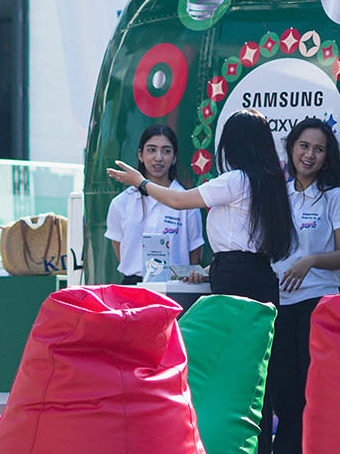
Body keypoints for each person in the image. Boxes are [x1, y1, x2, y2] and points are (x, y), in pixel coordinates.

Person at [254, 118, 340, 454]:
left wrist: (310, 261)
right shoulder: (278, 195)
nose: (309, 155)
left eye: (318, 149)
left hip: (318, 301)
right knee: (282, 390)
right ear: (291, 148)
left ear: (327, 156)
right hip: (279, 304)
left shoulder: (334, 196)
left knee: (314, 390)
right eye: (303, 146)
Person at [108, 110, 292, 309]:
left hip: (235, 280)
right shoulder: (269, 183)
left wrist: (141, 182)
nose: (158, 158)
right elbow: (245, 246)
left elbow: (178, 201)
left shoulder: (235, 180)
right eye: (151, 150)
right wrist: (208, 271)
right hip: (259, 274)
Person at [104, 124, 205, 285]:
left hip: (174, 287)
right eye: (151, 150)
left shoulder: (187, 204)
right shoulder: (121, 203)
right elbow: (121, 253)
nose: (158, 158)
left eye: (166, 151)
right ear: (140, 154)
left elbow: (195, 255)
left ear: (174, 157)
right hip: (133, 286)